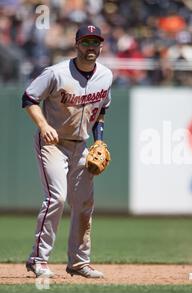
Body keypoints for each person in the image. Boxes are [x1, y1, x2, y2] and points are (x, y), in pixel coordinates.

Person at [22, 25, 113, 278]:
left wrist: (100, 141)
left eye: (95, 42)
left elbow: (102, 110)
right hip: (53, 143)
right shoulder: (56, 73)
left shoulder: (106, 75)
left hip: (81, 145)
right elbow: (29, 98)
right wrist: (43, 125)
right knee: (57, 198)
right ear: (77, 45)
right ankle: (38, 259)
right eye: (86, 42)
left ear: (101, 46)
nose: (91, 47)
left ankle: (79, 262)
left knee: (84, 204)